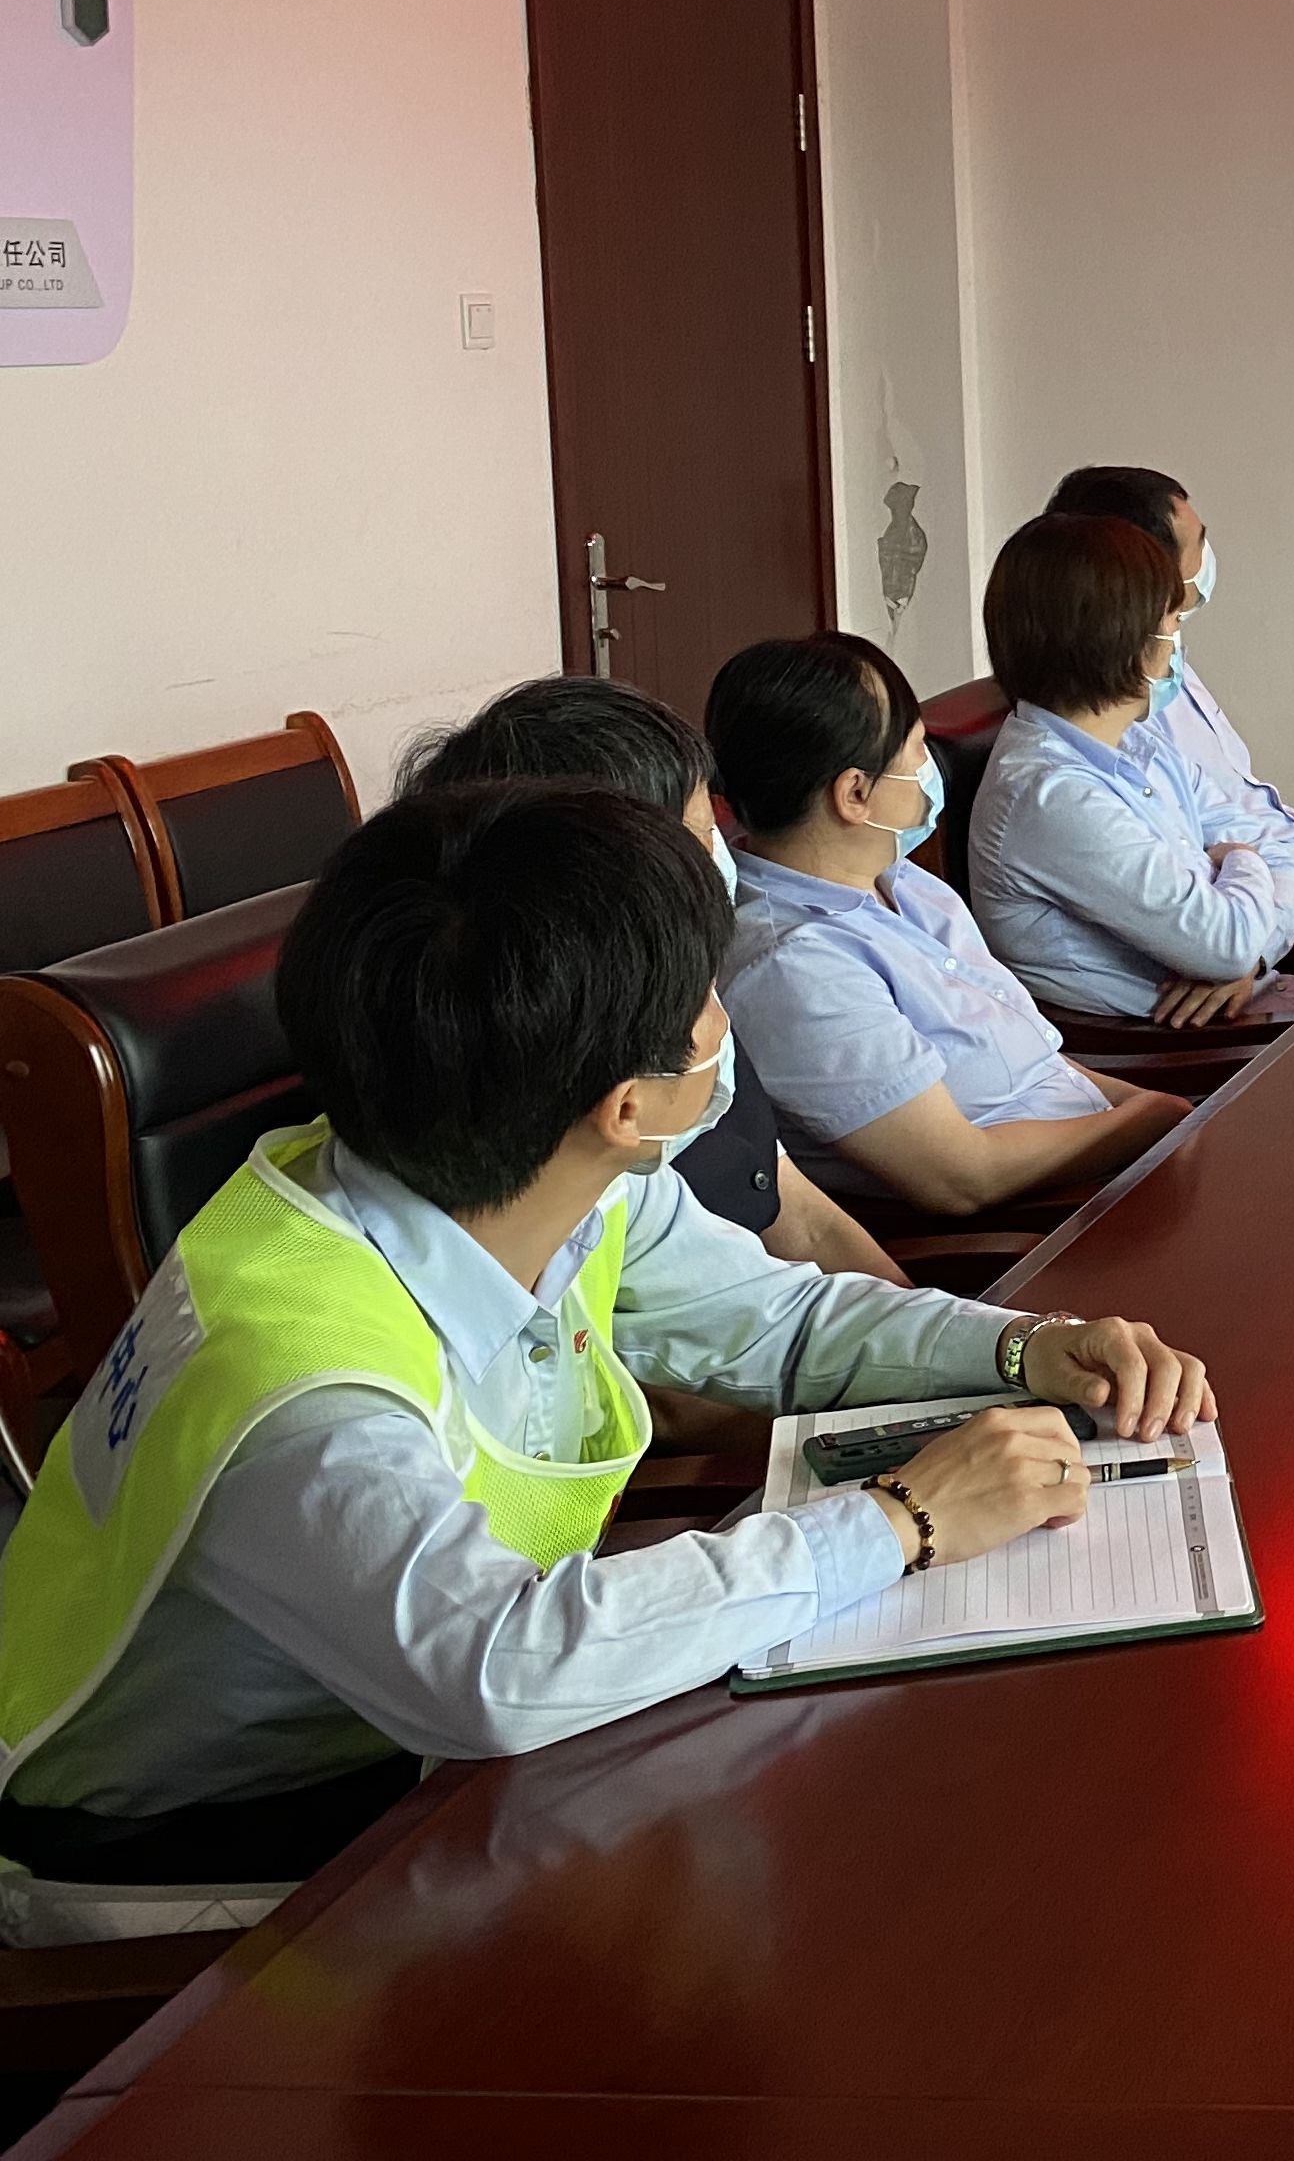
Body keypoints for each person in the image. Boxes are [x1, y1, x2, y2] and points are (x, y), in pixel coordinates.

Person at [0, 784, 1211, 1884]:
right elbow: (501, 1669)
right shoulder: (305, 1386)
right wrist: (901, 1520)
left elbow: (782, 1320)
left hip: (421, 1746)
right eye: (707, 1000)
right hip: (207, 1850)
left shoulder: (539, 1174)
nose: (725, 1023)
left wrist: (1022, 1348)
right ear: (628, 1107)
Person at [398, 677, 897, 1286]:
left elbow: (796, 1216)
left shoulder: (685, 995)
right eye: (697, 837)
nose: (720, 858)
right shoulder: (567, 1122)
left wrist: (940, 1315)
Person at [706, 632, 1189, 1215]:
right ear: (855, 793)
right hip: (1047, 1220)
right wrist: (1153, 1119)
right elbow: (961, 1177)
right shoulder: (795, 967)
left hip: (1105, 1160)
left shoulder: (902, 881)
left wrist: (1160, 1115)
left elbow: (1034, 1061)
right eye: (916, 749)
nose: (927, 767)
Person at [1041, 465, 1294, 928]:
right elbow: (1217, 895)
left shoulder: (1168, 664)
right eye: (1198, 544)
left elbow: (1244, 806)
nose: (1207, 559)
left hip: (1291, 894)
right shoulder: (1126, 709)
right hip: (1279, 923)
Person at [968, 516, 1294, 1031]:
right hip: (1203, 1054)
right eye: (1172, 618)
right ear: (1124, 637)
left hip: (1269, 1008)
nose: (1177, 637)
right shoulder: (1052, 796)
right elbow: (1228, 942)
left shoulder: (1137, 742)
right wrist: (1244, 860)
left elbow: (1284, 858)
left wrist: (1254, 952)